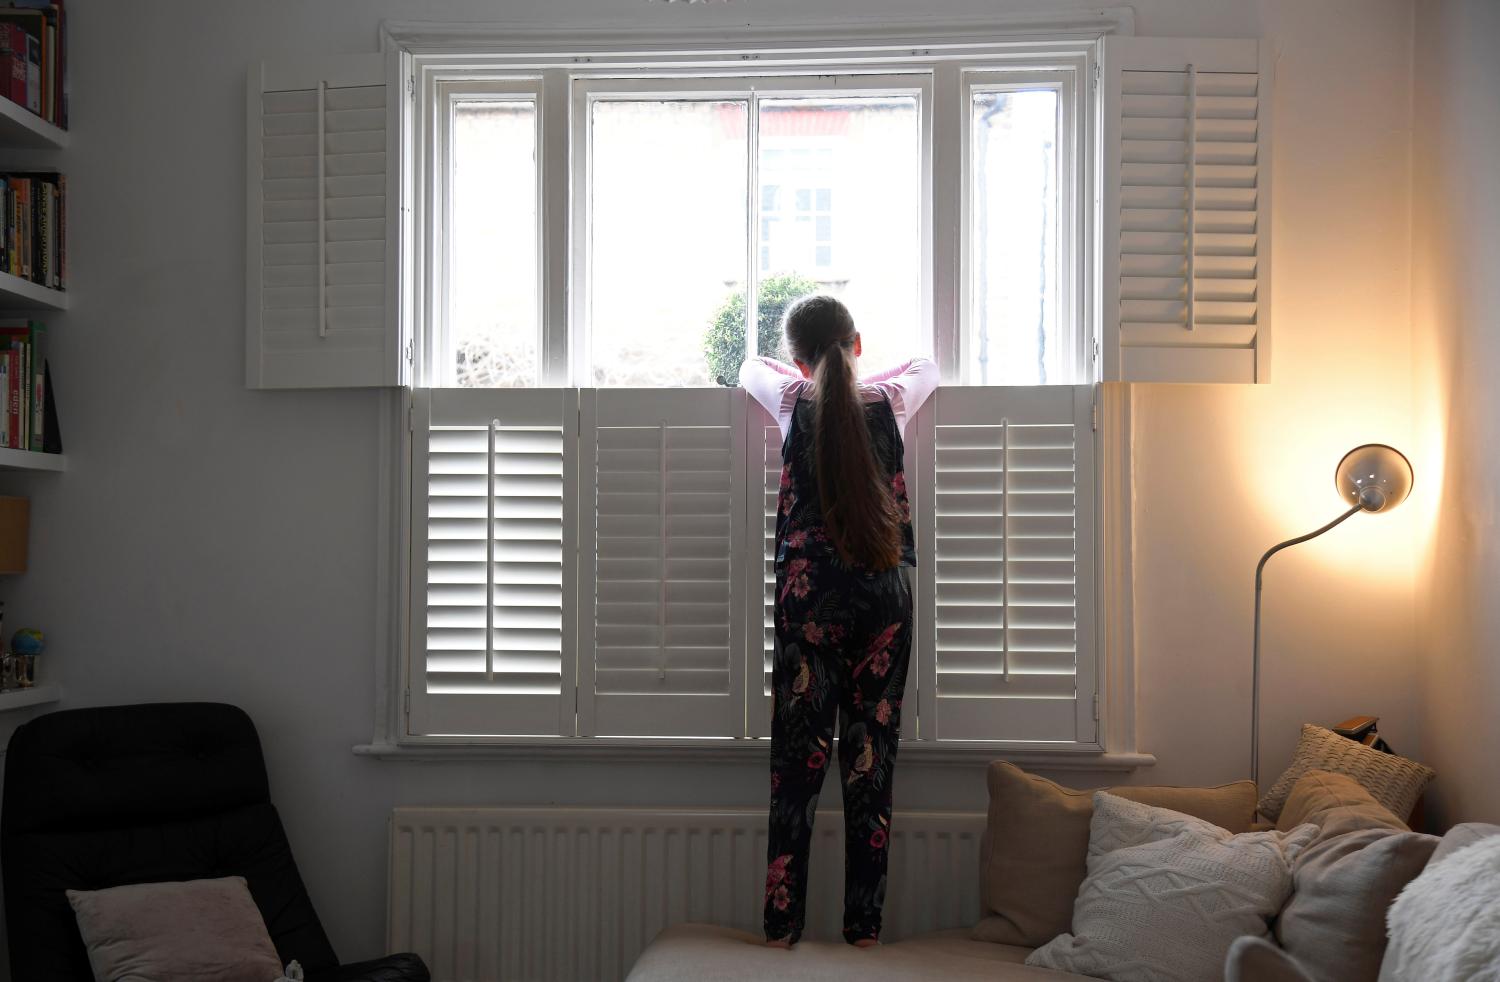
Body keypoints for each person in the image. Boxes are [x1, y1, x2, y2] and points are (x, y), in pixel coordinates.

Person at [739, 295, 938, 949]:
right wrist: (862, 378)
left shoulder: (794, 401)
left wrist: (810, 377)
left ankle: (780, 934)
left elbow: (749, 367)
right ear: (857, 345)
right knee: (869, 768)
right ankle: (863, 936)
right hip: (882, 599)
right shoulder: (892, 405)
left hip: (809, 602)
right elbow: (925, 366)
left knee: (795, 774)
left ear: (800, 361)